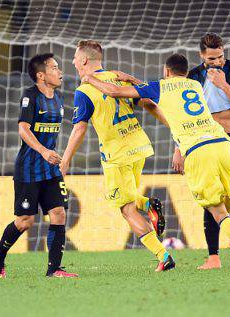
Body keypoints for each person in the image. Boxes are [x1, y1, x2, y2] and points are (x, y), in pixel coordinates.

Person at [83, 53, 230, 270]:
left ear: (166, 72)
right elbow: (160, 97)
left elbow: (115, 91)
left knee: (219, 213)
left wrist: (91, 80)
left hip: (199, 152)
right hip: (223, 144)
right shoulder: (194, 85)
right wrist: (133, 79)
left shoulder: (160, 87)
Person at [60, 40, 174, 272]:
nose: (72, 61)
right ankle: (149, 204)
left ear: (84, 60)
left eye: (74, 57)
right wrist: (173, 126)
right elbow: (149, 103)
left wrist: (65, 160)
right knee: (128, 198)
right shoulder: (117, 77)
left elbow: (79, 128)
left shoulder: (84, 90)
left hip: (117, 154)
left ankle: (163, 256)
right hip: (139, 146)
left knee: (126, 208)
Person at [173, 33, 230, 270]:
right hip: (205, 144)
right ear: (202, 56)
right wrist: (179, 148)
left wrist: (223, 85)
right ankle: (213, 256)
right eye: (211, 58)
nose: (217, 61)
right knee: (211, 199)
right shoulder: (193, 77)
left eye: (220, 56)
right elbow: (185, 116)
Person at [0, 53, 78, 278]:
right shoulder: (30, 97)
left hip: (50, 170)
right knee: (26, 221)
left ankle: (54, 269)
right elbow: (23, 129)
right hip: (29, 169)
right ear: (41, 75)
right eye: (55, 68)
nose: (60, 72)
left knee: (59, 213)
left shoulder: (58, 98)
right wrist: (44, 151)